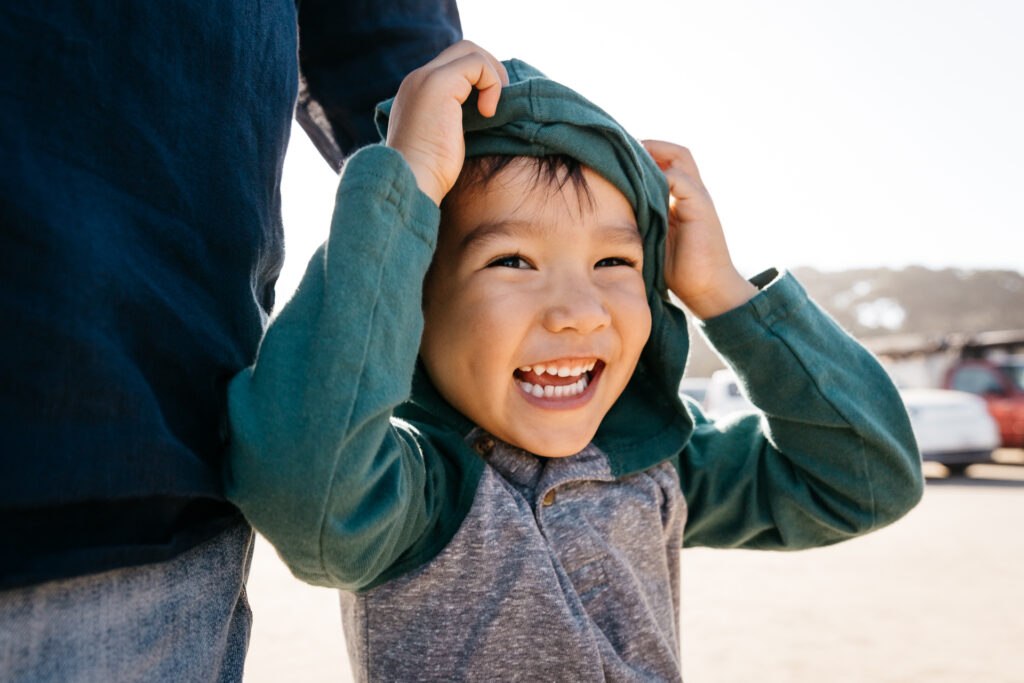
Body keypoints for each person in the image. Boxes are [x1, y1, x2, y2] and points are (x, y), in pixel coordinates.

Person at [224, 42, 924, 680]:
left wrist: (724, 293)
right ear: (414, 296)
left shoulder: (660, 463)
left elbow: (866, 480)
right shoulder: (413, 491)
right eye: (513, 260)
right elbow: (303, 492)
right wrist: (400, 187)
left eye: (615, 261)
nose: (579, 310)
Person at [0, 2, 462, 680]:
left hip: (143, 440)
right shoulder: (431, 489)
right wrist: (410, 188)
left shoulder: (643, 458)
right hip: (121, 453)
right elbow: (312, 499)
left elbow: (391, 42)